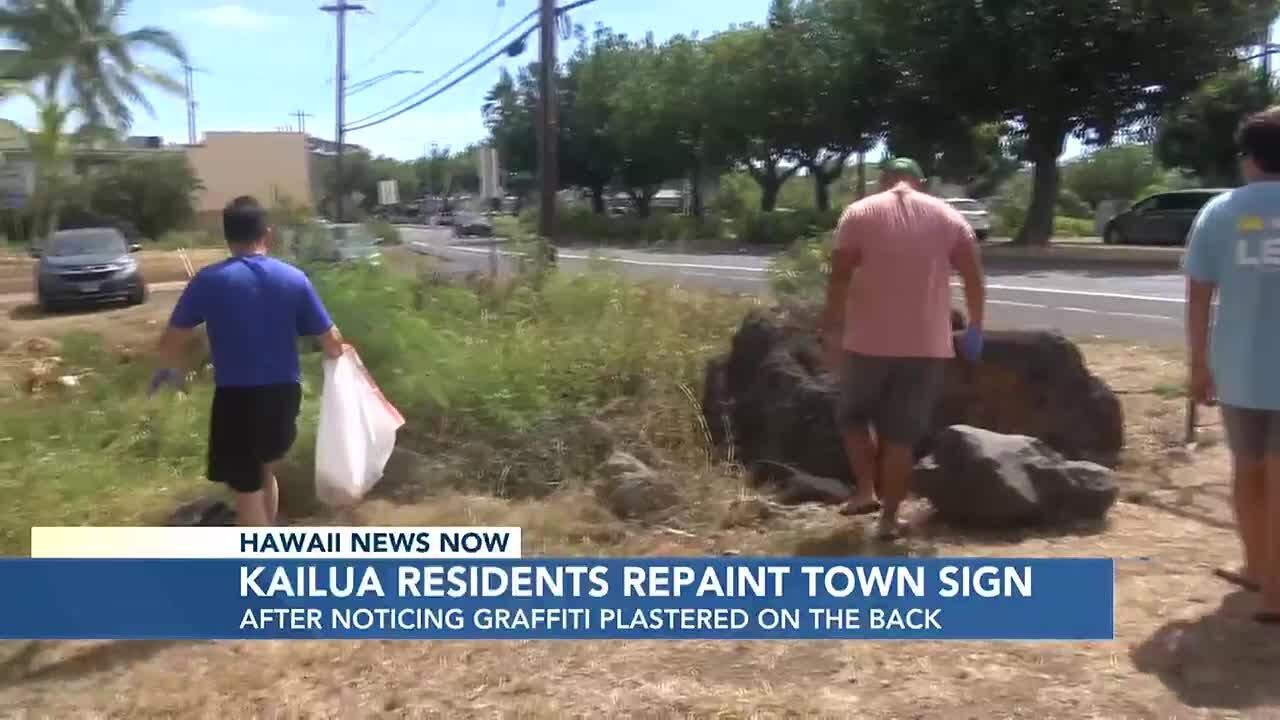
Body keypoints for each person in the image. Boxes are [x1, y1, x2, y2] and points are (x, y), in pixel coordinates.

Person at [151, 196, 346, 527]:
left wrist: (169, 370)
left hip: (238, 397)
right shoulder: (294, 278)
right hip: (285, 394)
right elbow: (332, 342)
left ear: (227, 237)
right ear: (267, 234)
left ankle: (256, 563)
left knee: (246, 490)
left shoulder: (209, 280)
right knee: (264, 470)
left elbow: (172, 339)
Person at [821, 158, 987, 540]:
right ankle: (889, 520)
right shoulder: (948, 217)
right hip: (926, 346)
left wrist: (830, 327)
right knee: (901, 438)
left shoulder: (860, 212)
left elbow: (840, 276)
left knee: (852, 417)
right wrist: (976, 328)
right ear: (920, 182)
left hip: (866, 342)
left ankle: (865, 490)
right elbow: (974, 279)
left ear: (883, 180)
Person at [1184, 106, 1280, 624]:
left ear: (1249, 157)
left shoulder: (1221, 212)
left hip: (1240, 367)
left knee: (1248, 472)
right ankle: (1272, 586)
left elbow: (1198, 295)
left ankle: (1260, 571)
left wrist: (1198, 364)